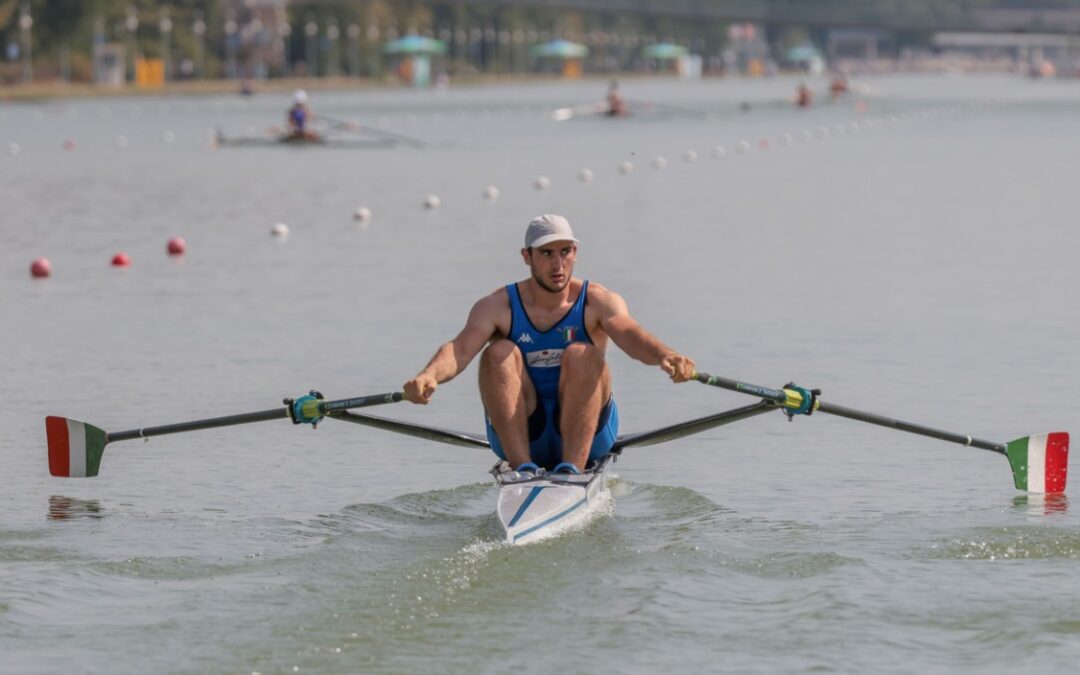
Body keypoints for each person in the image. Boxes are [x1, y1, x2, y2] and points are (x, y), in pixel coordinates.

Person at [403, 214, 696, 474]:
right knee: (498, 352)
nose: (558, 265)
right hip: (521, 432)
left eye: (565, 252)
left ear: (575, 253)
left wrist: (664, 355)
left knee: (582, 353)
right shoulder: (497, 306)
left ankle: (572, 471)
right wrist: (428, 375)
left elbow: (631, 335)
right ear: (526, 256)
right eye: (546, 254)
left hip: (591, 435)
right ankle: (523, 470)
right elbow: (459, 350)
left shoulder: (597, 300)